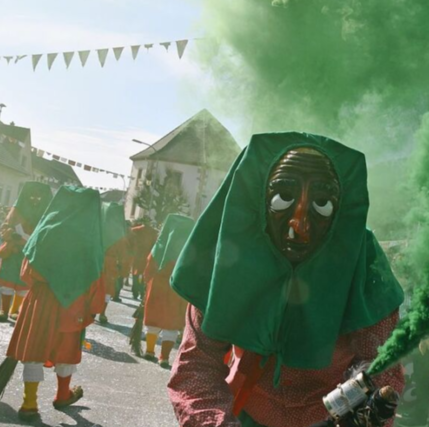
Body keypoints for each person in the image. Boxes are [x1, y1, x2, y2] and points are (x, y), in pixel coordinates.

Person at [167, 132, 405, 427]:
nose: (299, 226)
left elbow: (383, 369)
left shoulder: (364, 267)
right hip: (243, 414)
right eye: (282, 199)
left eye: (322, 204)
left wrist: (365, 392)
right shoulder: (231, 258)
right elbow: (196, 365)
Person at [0, 186, 105, 422]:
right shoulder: (90, 238)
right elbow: (95, 279)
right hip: (74, 304)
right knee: (66, 351)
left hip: (41, 300)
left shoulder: (46, 230)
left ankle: (29, 404)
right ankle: (62, 394)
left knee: (34, 349)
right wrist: (93, 306)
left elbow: (27, 271)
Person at [0, 182, 52, 322]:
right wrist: (10, 233)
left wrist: (29, 239)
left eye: (38, 196)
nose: (35, 199)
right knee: (7, 281)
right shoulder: (16, 210)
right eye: (32, 196)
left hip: (30, 253)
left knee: (23, 281)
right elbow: (5, 227)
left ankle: (15, 310)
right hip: (12, 251)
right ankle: (4, 309)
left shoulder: (46, 213)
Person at [141, 213, 194, 368]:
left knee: (154, 319)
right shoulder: (190, 251)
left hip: (156, 288)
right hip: (176, 292)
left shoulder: (159, 246)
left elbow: (149, 267)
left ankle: (149, 350)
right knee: (171, 324)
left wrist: (146, 281)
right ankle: (164, 357)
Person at [97, 202, 128, 324]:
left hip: (96, 262)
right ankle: (102, 312)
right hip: (110, 265)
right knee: (107, 291)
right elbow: (124, 253)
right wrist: (123, 271)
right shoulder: (119, 233)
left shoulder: (98, 227)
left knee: (94, 288)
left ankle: (91, 310)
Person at [128, 219, 157, 300]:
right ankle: (142, 292)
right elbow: (155, 245)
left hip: (137, 255)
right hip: (147, 256)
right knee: (144, 274)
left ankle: (135, 292)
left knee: (135, 274)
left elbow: (129, 241)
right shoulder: (153, 232)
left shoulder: (135, 230)